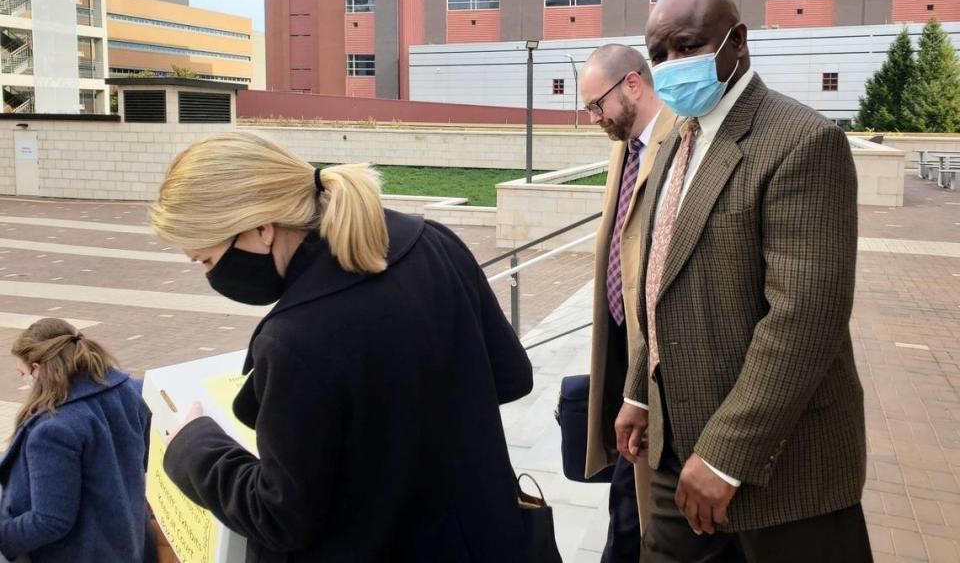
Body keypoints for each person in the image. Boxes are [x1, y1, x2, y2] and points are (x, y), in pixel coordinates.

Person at [151, 132, 534, 563]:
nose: (209, 275)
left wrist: (192, 447)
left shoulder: (294, 339)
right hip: (487, 537)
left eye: (205, 259)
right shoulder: (433, 241)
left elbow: (280, 516)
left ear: (261, 228)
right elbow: (512, 376)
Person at [615, 0, 870, 562]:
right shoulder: (682, 137)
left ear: (738, 42)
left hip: (784, 468)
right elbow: (662, 279)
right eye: (659, 56)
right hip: (677, 449)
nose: (673, 66)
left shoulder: (803, 141)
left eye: (686, 46)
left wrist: (727, 453)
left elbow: (805, 318)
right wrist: (641, 393)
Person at [578, 44, 675, 562]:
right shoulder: (627, 144)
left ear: (633, 84)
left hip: (655, 359)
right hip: (621, 345)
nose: (595, 118)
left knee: (633, 502)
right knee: (625, 486)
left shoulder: (680, 141)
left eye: (598, 105)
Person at [0, 318, 154, 563]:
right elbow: (144, 463)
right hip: (129, 543)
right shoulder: (130, 392)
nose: (26, 382)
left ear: (38, 369)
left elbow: (50, 520)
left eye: (23, 374)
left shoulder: (52, 430)